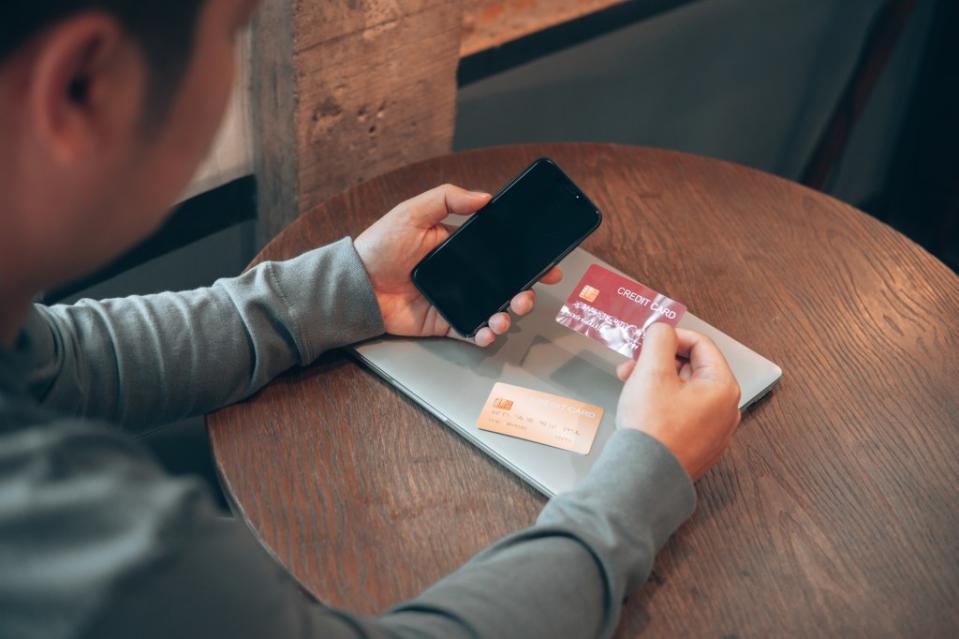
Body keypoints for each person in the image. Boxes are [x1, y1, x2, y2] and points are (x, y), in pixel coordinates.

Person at [0, 1, 742, 637]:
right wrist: (644, 477)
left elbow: (61, 359)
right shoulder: (107, 560)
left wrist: (347, 287)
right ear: (80, 85)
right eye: (232, 36)